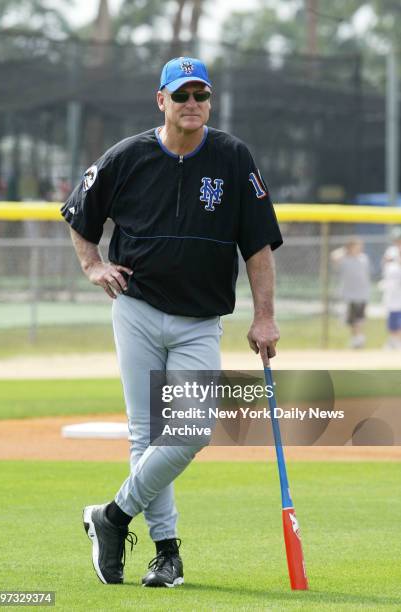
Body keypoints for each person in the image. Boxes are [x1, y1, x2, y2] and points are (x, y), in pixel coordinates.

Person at [61, 56, 283, 588]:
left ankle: (110, 516)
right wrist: (92, 265)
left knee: (189, 430)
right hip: (136, 308)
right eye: (181, 95)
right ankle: (166, 555)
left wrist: (266, 317)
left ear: (210, 102)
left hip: (199, 320)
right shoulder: (128, 156)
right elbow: (79, 212)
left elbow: (258, 246)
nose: (192, 105)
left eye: (200, 96)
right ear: (161, 100)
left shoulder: (232, 156)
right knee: (147, 436)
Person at [330, 238, 371, 348]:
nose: (358, 249)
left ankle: (358, 339)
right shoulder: (344, 259)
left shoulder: (363, 258)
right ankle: (357, 338)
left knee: (359, 318)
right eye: (355, 246)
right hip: (349, 294)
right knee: (352, 320)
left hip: (362, 294)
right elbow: (334, 256)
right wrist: (346, 249)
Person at [380, 239, 401, 349]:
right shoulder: (391, 261)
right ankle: (393, 341)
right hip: (392, 297)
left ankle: (396, 341)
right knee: (392, 321)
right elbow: (385, 263)